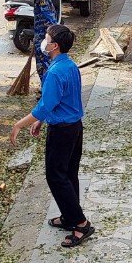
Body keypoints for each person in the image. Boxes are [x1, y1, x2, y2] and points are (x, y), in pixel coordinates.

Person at [9, 25, 94, 248]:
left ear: (54, 45)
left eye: (46, 38)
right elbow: (60, 100)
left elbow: (46, 104)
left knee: (56, 177)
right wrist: (40, 121)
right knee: (68, 174)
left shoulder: (55, 72)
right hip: (74, 127)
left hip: (62, 131)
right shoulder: (69, 65)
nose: (43, 41)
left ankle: (81, 224)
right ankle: (69, 216)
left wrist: (20, 124)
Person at [20, 0, 60, 83]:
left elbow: (49, 19)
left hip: (45, 39)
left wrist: (49, 37)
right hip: (41, 38)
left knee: (43, 66)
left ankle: (47, 90)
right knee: (42, 65)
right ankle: (46, 88)